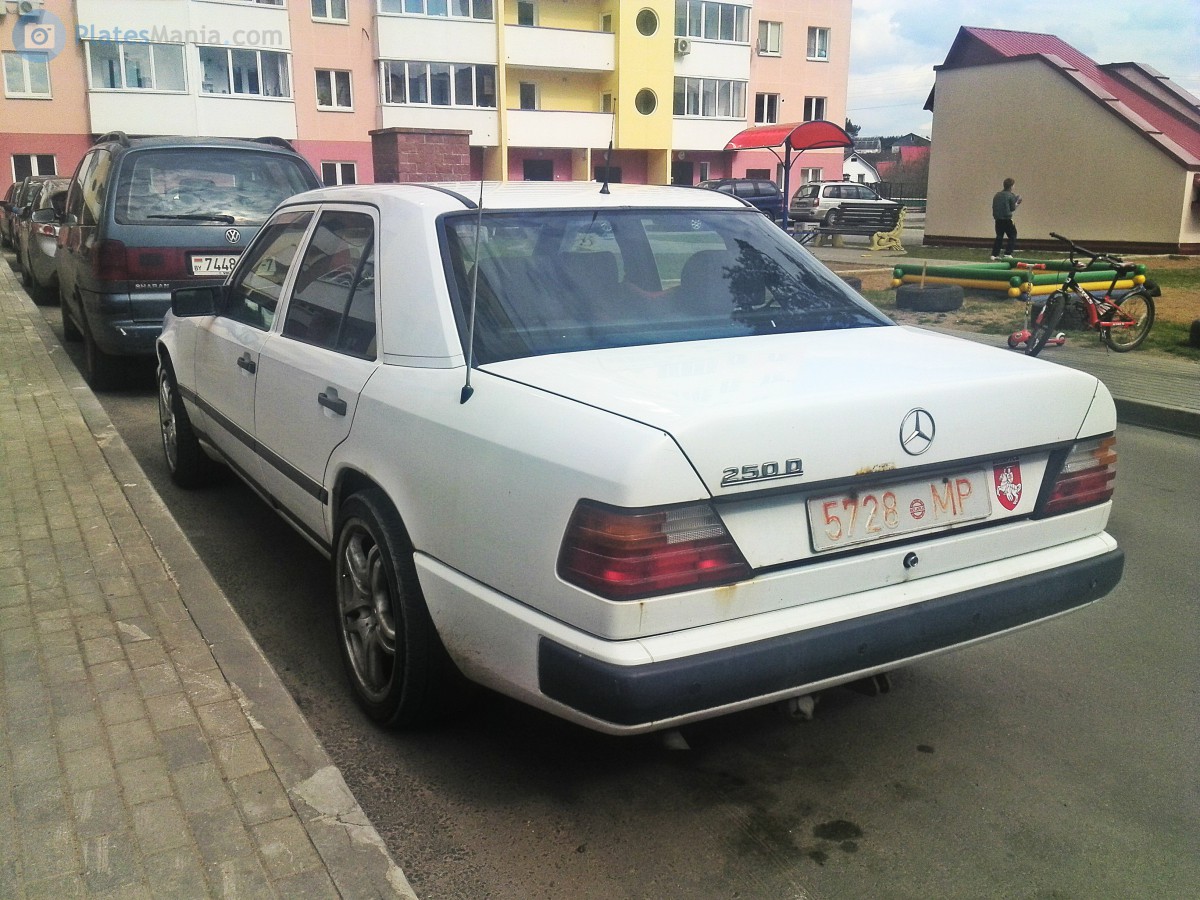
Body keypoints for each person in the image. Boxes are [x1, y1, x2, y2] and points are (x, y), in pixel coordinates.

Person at [991, 177, 1021, 260]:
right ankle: (1008, 253)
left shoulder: (997, 195)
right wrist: (1017, 203)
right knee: (1013, 235)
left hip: (998, 219)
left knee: (999, 236)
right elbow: (1012, 208)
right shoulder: (1011, 195)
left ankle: (994, 254)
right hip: (1007, 218)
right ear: (1011, 186)